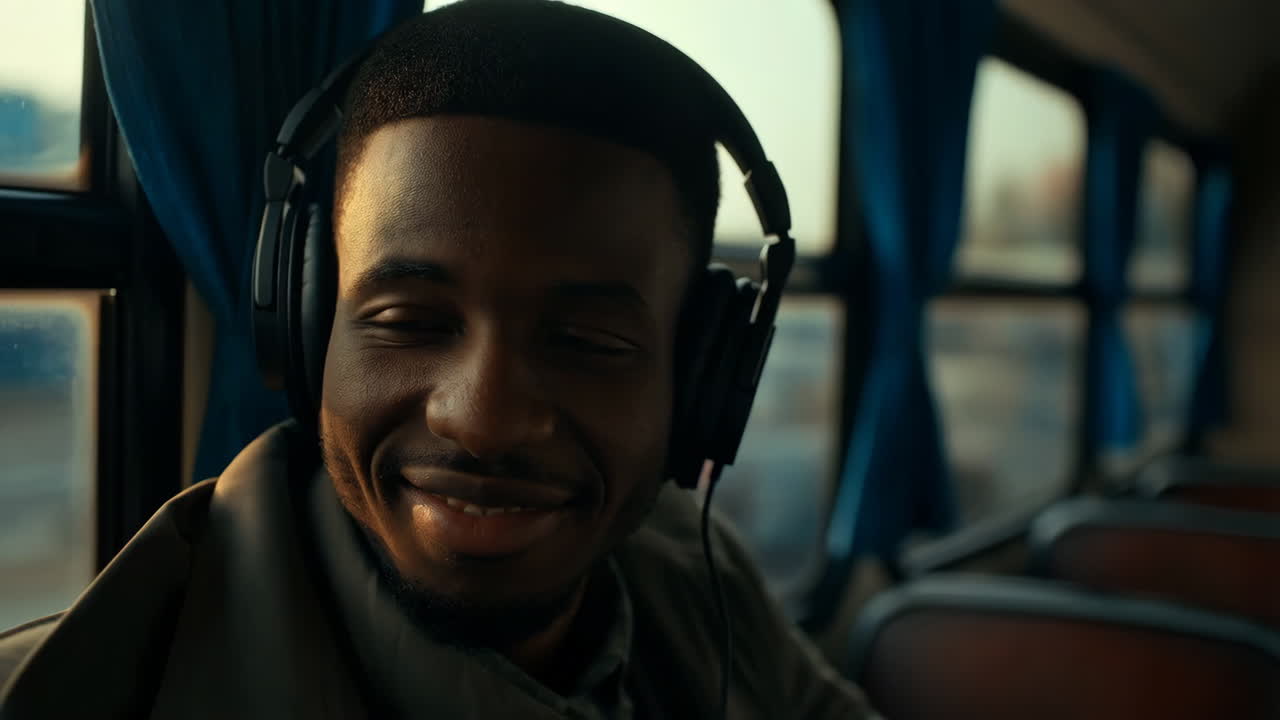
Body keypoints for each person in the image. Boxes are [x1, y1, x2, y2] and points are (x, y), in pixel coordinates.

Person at [0, 2, 878, 717]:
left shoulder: (690, 577)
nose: (483, 418)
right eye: (409, 320)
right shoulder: (70, 693)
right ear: (306, 327)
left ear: (698, 380)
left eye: (587, 343)